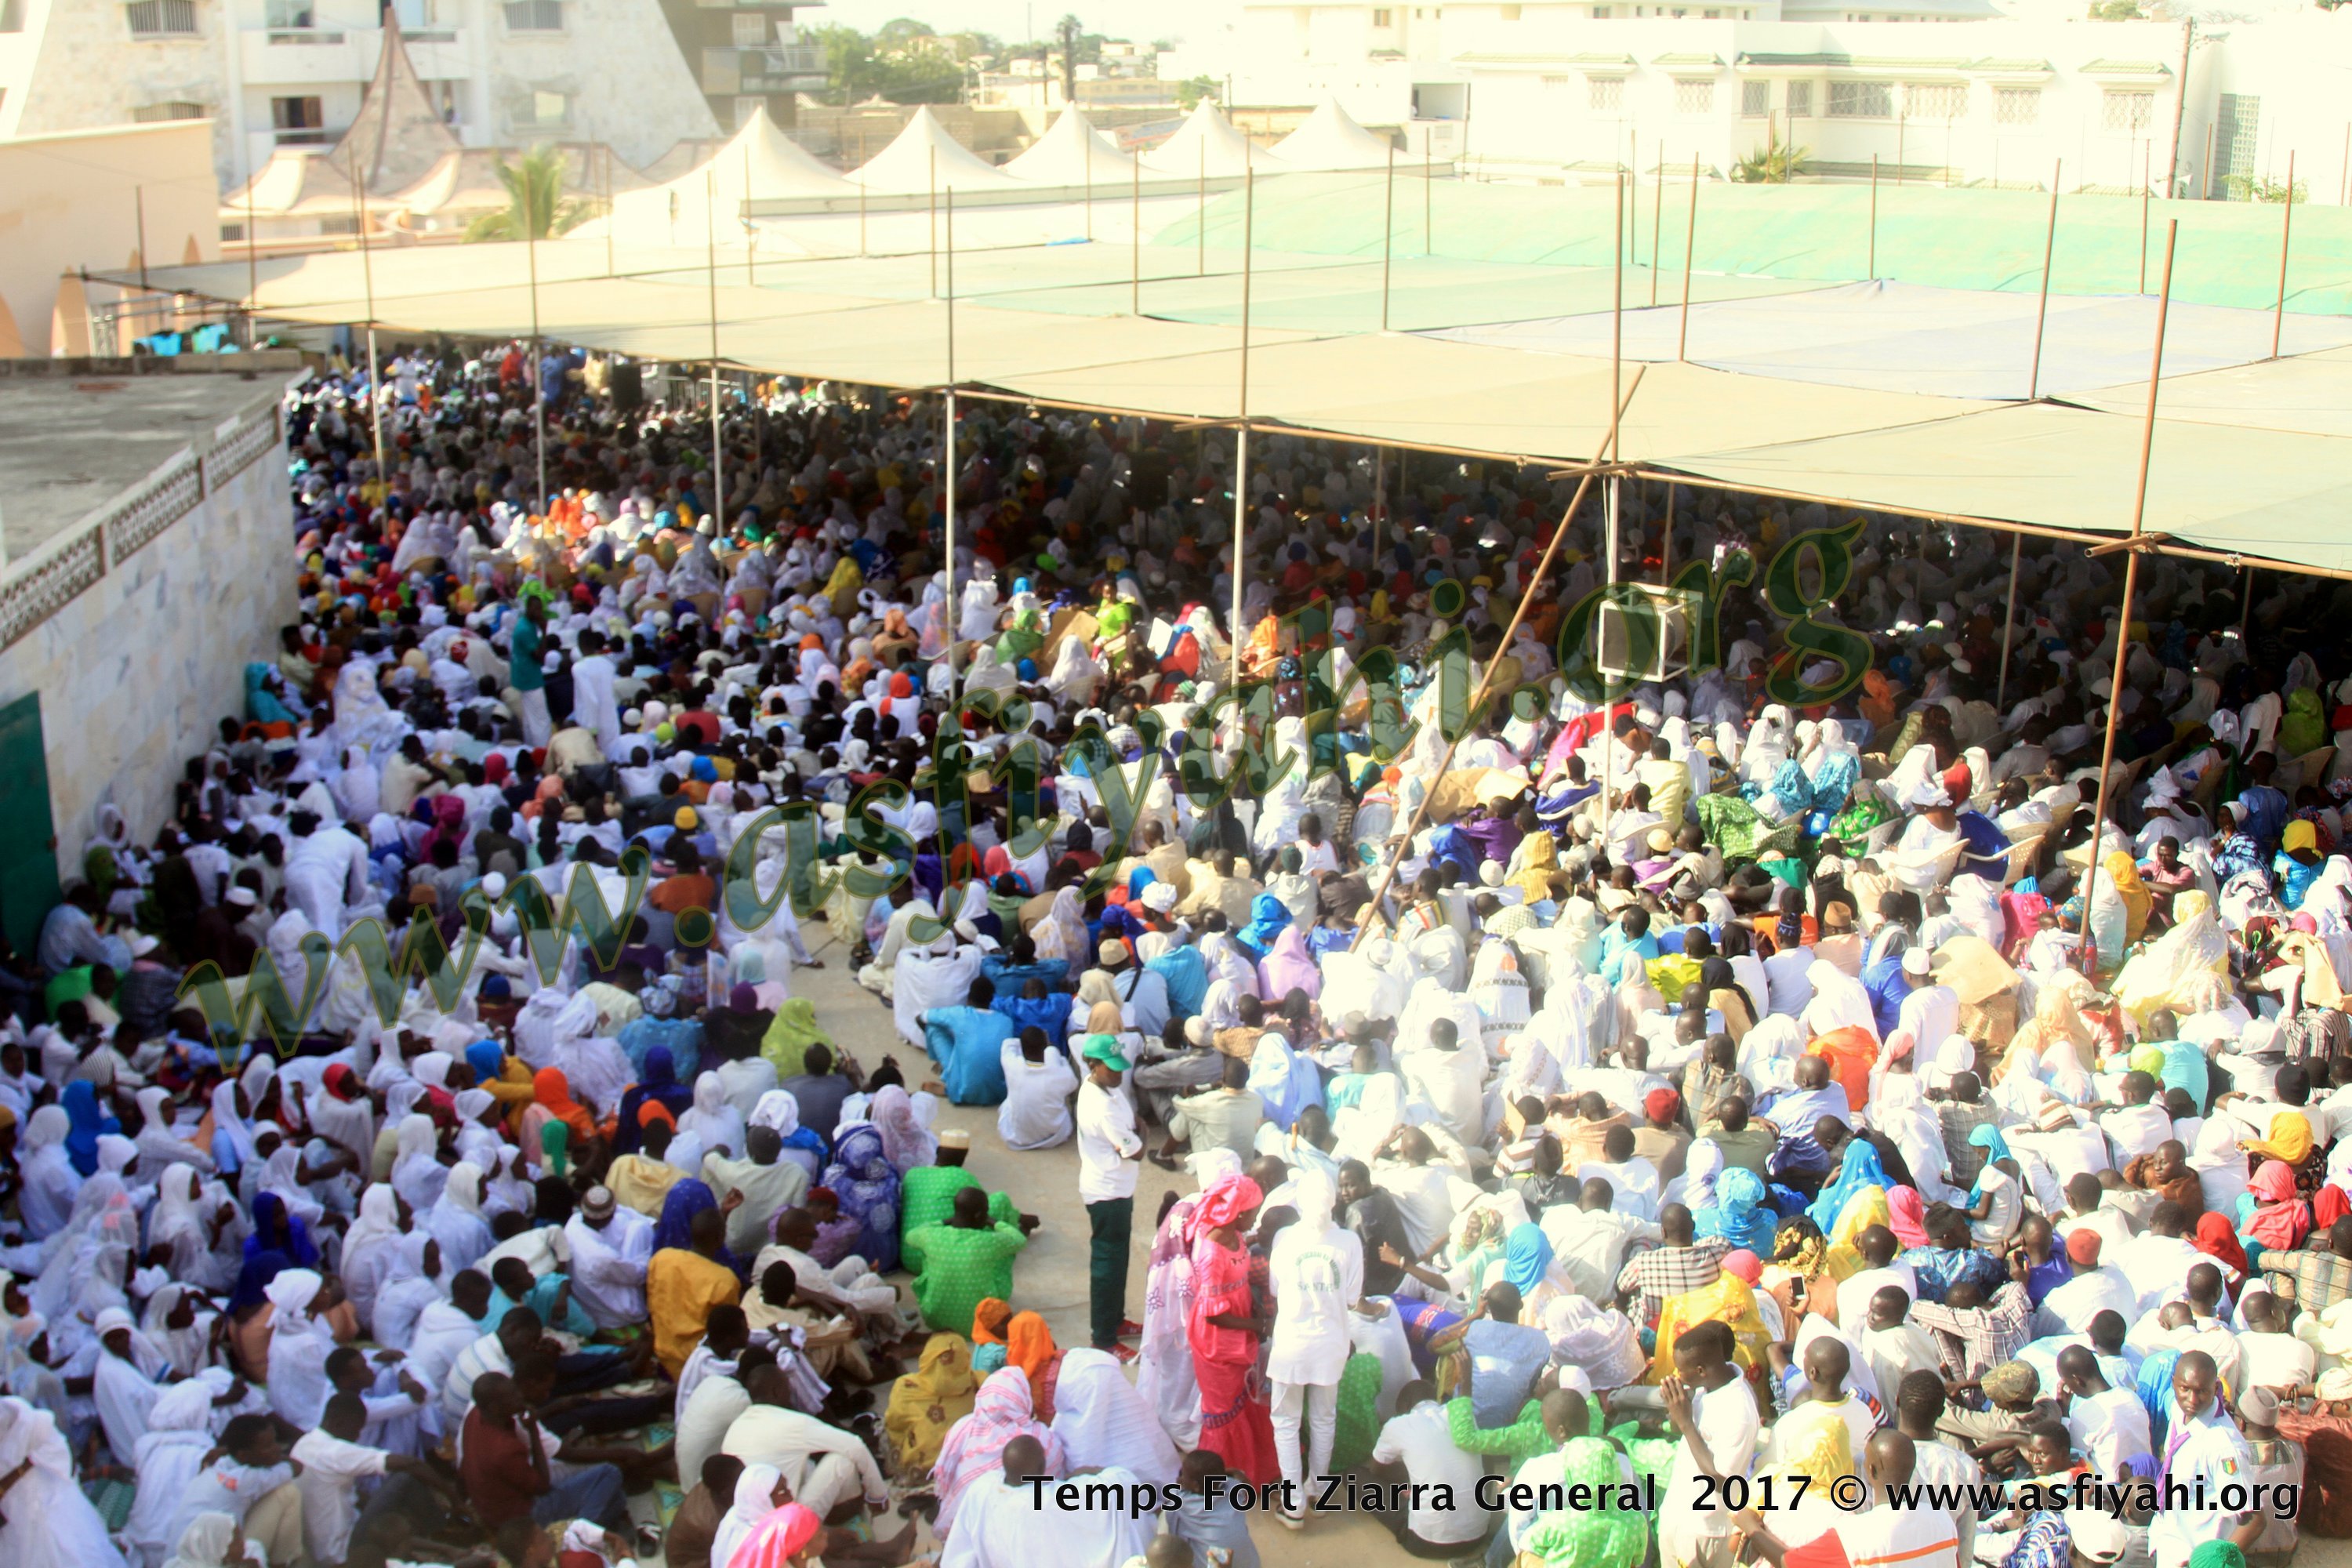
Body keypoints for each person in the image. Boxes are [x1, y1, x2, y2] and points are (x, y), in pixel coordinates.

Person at [1076, 1034, 1143, 1359]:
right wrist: (1139, 1137)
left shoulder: (1106, 1089)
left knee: (1119, 1260)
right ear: (1093, 1064)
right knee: (1107, 1265)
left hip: (1119, 1187)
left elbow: (1134, 1130)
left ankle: (1116, 1321)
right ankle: (1103, 1338)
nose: (1119, 1074)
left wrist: (1135, 1135)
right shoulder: (1100, 1106)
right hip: (1107, 1193)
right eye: (1112, 1068)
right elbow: (1136, 1150)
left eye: (1120, 1068)